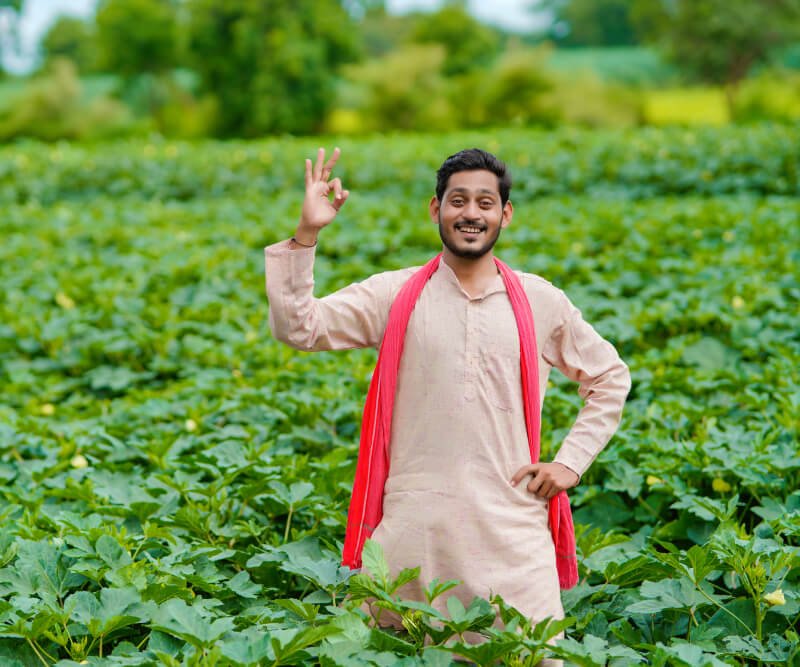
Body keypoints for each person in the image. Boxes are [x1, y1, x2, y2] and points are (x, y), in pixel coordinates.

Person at [264, 147, 631, 653]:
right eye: (458, 201)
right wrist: (307, 233)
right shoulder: (395, 294)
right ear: (435, 209)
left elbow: (609, 376)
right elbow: (300, 328)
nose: (470, 213)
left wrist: (571, 462)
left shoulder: (540, 300)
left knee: (534, 657)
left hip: (513, 533)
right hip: (412, 534)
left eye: (485, 202)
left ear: (505, 214)